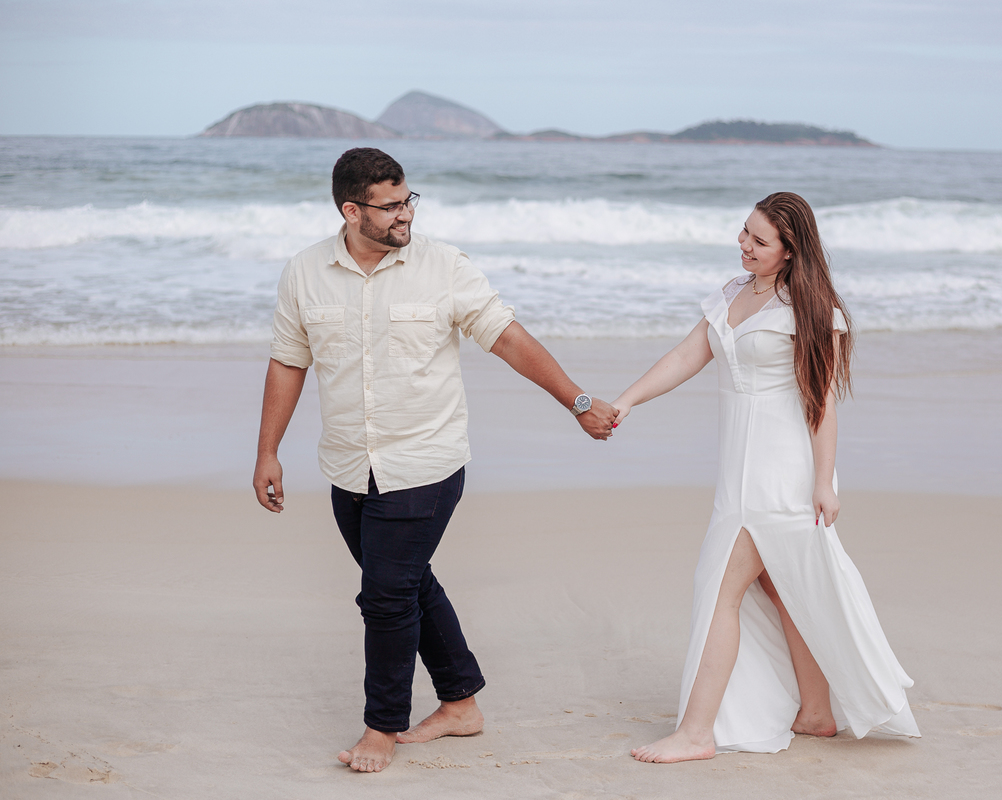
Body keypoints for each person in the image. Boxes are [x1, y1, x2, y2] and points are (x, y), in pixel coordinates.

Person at [252, 148, 617, 774]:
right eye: (390, 206)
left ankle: (381, 728)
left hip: (426, 462)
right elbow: (288, 360)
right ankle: (461, 703)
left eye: (409, 200)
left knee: (385, 595)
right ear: (351, 211)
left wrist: (577, 401)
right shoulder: (304, 273)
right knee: (408, 581)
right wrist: (267, 452)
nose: (406, 215)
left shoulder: (444, 266)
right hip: (349, 466)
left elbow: (508, 337)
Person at [612, 192, 920, 763]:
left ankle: (697, 733)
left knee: (719, 587)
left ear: (790, 250)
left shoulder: (812, 309)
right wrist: (627, 401)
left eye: (759, 240)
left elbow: (821, 403)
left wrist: (824, 482)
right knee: (780, 587)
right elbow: (686, 355)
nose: (744, 245)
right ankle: (817, 713)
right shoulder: (734, 291)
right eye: (744, 232)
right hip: (737, 468)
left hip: (780, 474)